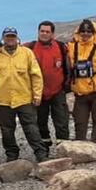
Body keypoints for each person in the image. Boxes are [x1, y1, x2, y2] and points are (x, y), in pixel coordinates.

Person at [0, 27, 49, 162]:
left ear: (17, 38)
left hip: (24, 98)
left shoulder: (27, 53)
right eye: (7, 37)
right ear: (3, 38)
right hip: (4, 100)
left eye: (12, 36)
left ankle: (40, 153)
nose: (10, 39)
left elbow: (36, 75)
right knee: (6, 130)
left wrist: (37, 95)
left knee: (31, 128)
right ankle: (11, 155)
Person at [23, 21, 70, 149]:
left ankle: (64, 148)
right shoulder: (29, 48)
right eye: (42, 31)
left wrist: (67, 85)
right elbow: (12, 48)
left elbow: (68, 66)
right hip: (38, 93)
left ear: (52, 34)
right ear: (38, 32)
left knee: (62, 121)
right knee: (40, 122)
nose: (44, 34)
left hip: (57, 91)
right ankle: (45, 148)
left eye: (47, 32)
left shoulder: (61, 47)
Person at [68, 19, 96, 144]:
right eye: (83, 31)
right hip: (80, 92)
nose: (85, 33)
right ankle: (80, 144)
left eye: (89, 31)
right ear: (79, 32)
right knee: (80, 120)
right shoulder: (72, 47)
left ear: (93, 32)